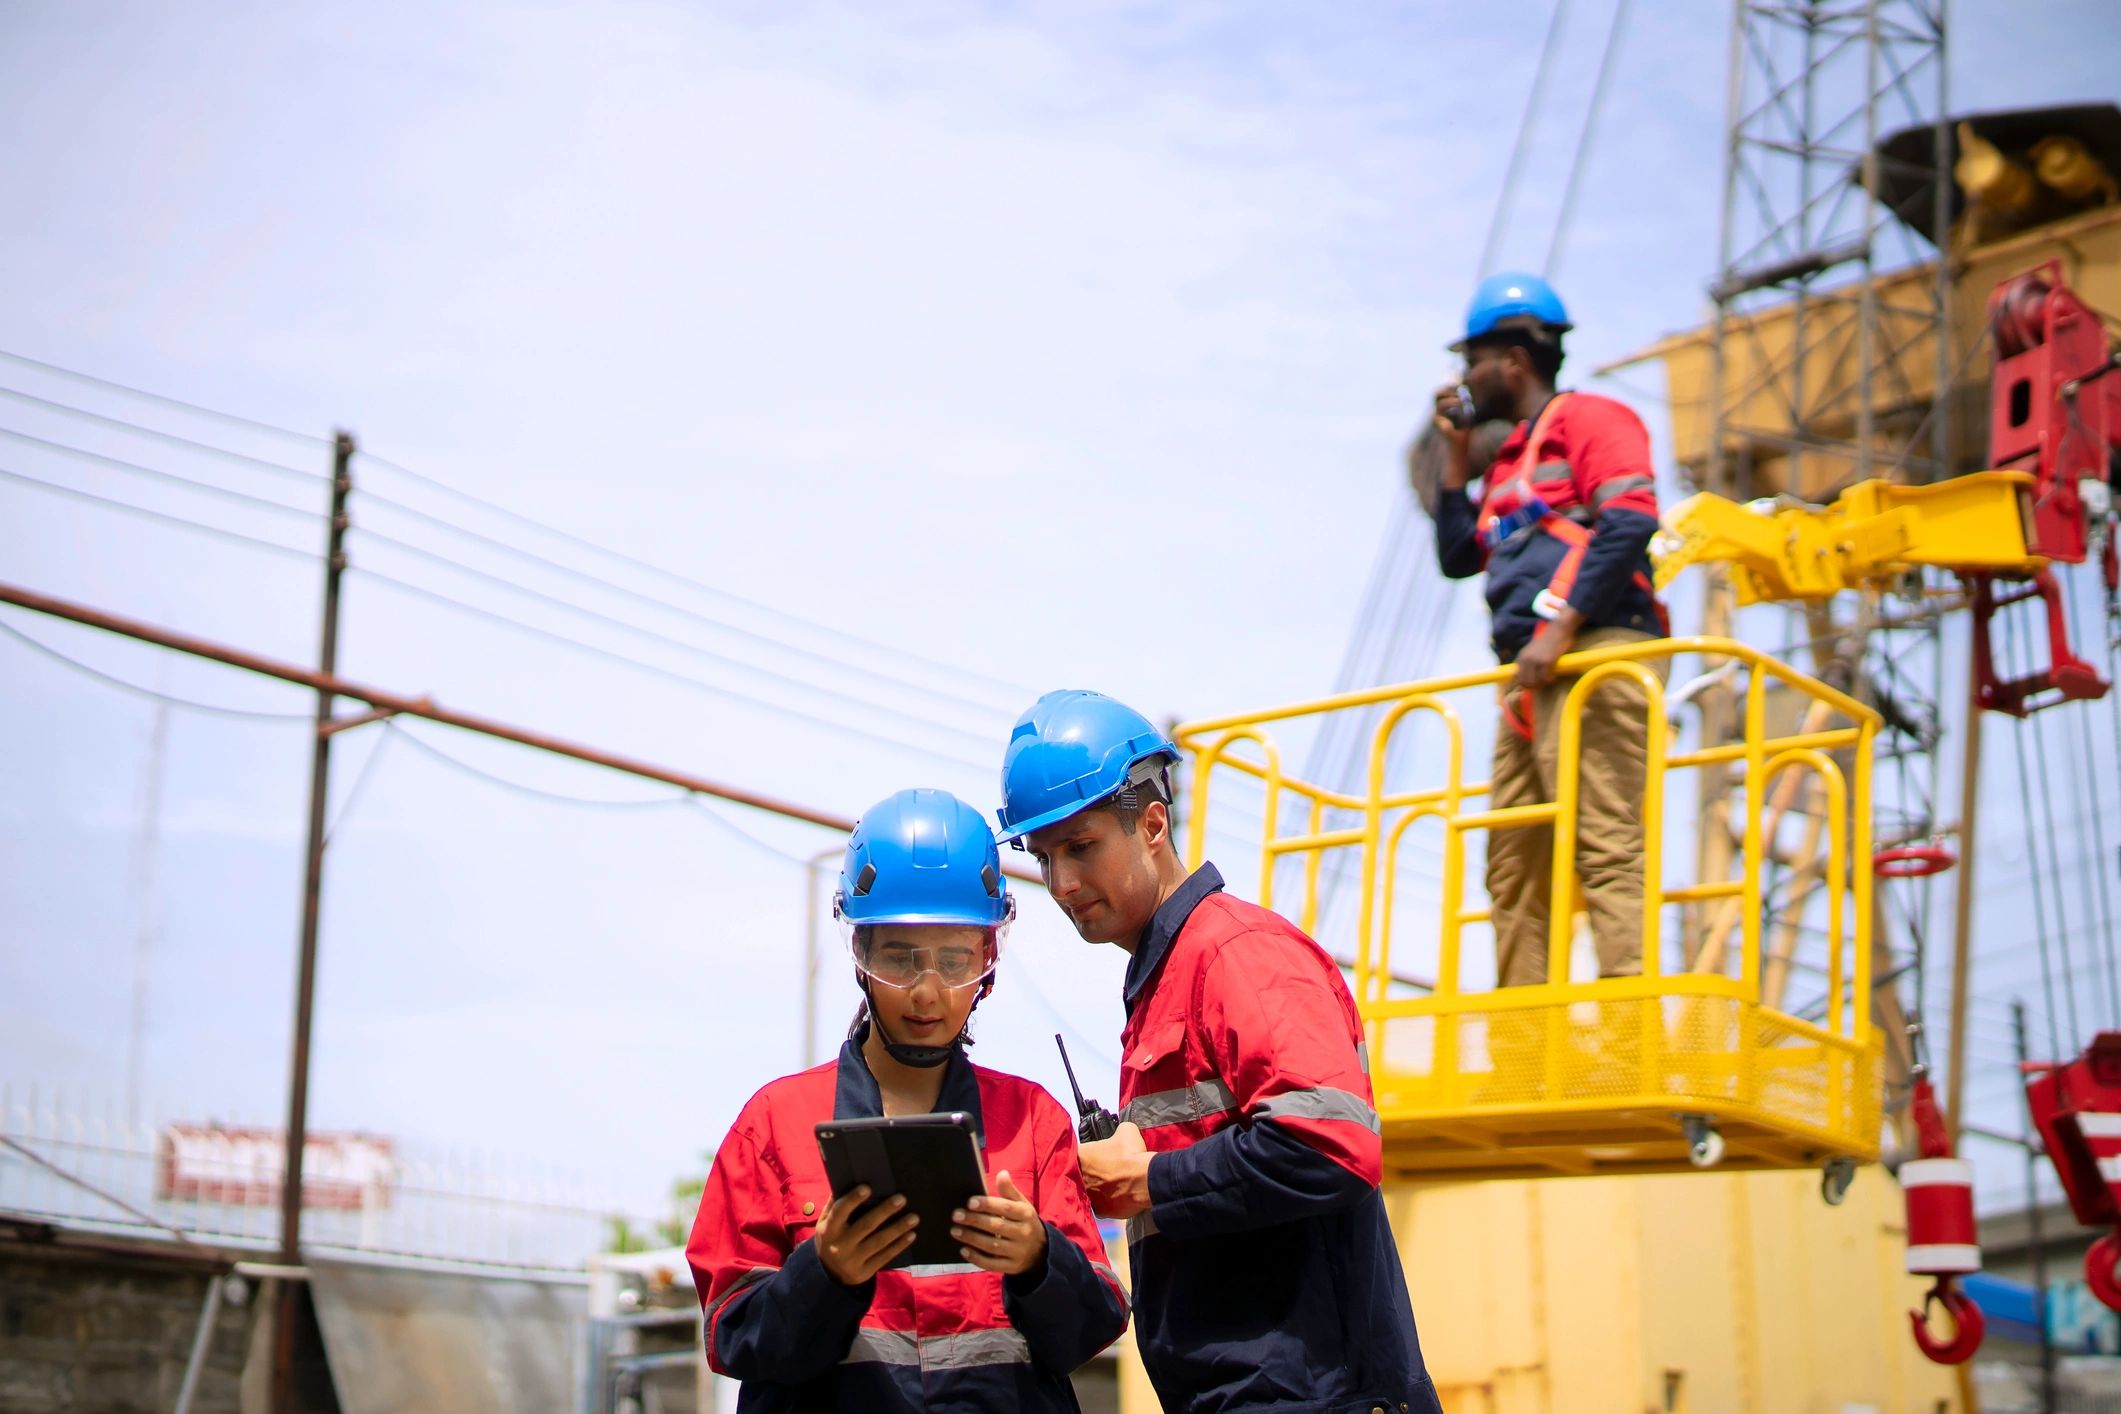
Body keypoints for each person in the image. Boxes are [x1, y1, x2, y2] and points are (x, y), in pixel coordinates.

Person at [997, 691, 1440, 1414]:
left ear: (1150, 824)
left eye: (1080, 848)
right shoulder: (1164, 979)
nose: (1063, 884)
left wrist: (1151, 1182)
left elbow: (1331, 1145)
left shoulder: (1237, 953)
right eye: (1044, 858)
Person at [685, 787, 1128, 1412]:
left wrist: (1037, 1260)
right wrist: (825, 1273)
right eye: (900, 959)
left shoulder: (1034, 1125)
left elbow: (1090, 1331)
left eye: (954, 961)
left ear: (988, 959)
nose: (927, 993)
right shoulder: (775, 1126)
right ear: (860, 955)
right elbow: (733, 1339)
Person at [1431, 271, 1669, 988]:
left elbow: (1629, 518)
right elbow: (1454, 558)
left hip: (1594, 653)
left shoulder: (1591, 418)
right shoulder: (1508, 461)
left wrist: (1558, 630)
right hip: (1531, 674)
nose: (1464, 376)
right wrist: (1454, 452)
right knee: (1512, 865)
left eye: (1472, 360)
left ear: (1514, 360)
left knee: (1604, 842)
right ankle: (1522, 1050)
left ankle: (1629, 1030)